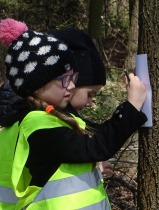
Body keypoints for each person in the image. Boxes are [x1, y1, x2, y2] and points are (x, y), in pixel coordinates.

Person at [0, 18, 147, 210]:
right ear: (37, 83)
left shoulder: (47, 118)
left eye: (73, 78)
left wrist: (129, 105)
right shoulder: (37, 126)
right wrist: (132, 105)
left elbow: (93, 137)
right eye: (64, 79)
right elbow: (96, 146)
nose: (71, 85)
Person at [48, 28, 115, 175]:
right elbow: (96, 146)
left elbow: (98, 133)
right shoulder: (45, 124)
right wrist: (132, 106)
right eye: (89, 94)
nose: (90, 103)